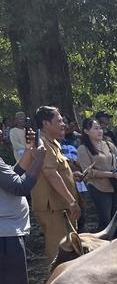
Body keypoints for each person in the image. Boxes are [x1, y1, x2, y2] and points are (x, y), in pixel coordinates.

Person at [0, 139, 44, 284]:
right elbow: (19, 187)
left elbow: (10, 179)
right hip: (6, 237)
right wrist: (39, 160)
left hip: (7, 233)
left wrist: (28, 154)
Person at [30, 106, 80, 262]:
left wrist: (72, 176)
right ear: (46, 124)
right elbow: (51, 174)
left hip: (61, 205)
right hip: (52, 207)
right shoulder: (42, 144)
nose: (63, 124)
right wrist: (71, 201)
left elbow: (58, 172)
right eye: (59, 120)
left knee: (70, 247)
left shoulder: (53, 144)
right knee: (58, 250)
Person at [77, 117, 117, 234]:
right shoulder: (83, 148)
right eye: (96, 128)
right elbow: (87, 172)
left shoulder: (108, 144)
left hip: (115, 186)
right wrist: (110, 175)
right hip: (98, 187)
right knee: (106, 221)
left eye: (100, 128)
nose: (100, 131)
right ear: (86, 131)